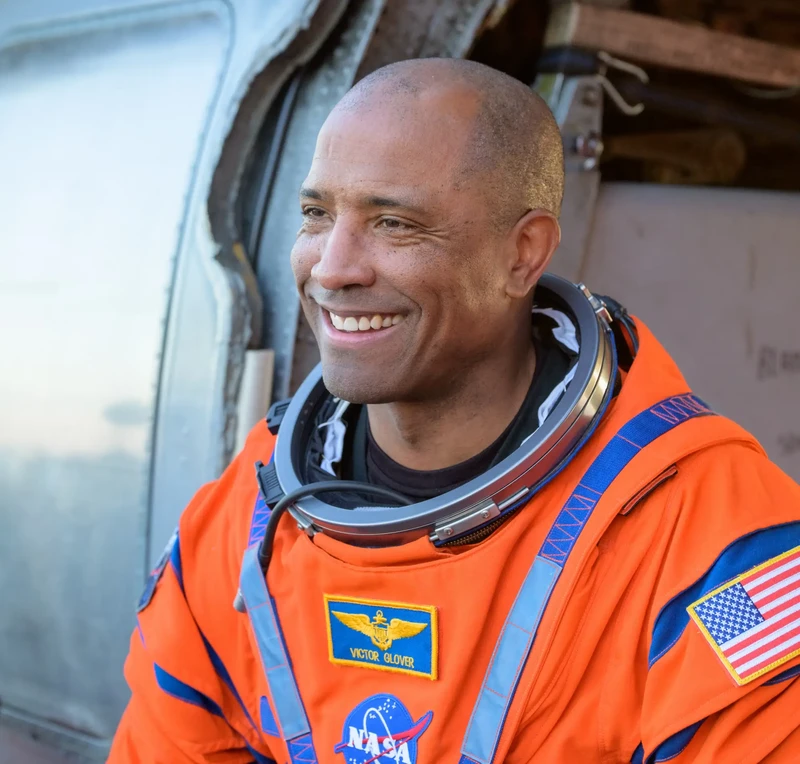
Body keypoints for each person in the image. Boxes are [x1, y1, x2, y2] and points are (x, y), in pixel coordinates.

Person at [109, 59, 800, 764]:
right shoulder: (249, 513)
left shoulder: (717, 543)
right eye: (317, 215)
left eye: (394, 222)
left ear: (520, 254)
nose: (332, 267)